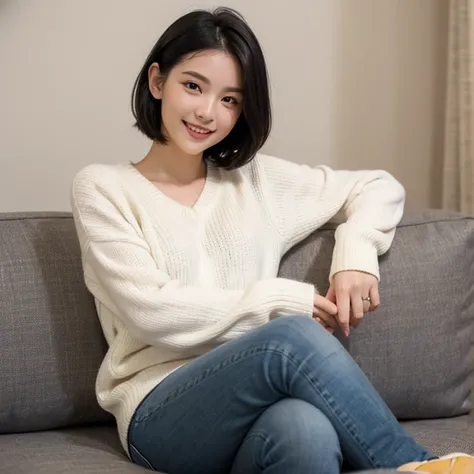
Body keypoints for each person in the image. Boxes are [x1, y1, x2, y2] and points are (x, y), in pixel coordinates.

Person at [71, 7, 473, 474]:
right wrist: (280, 303)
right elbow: (150, 312)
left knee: (307, 429)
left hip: (254, 412)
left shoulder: (254, 182)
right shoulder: (102, 188)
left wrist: (356, 253)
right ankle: (417, 466)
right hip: (161, 412)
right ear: (158, 82)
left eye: (230, 100)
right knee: (290, 338)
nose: (207, 112)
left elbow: (378, 185)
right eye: (193, 86)